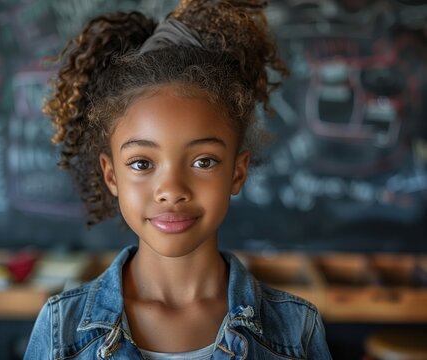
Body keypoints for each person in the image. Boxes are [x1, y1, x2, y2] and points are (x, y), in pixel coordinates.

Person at [24, 0, 332, 359]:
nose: (171, 190)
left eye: (204, 161)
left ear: (238, 171)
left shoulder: (295, 330)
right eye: (141, 164)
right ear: (111, 175)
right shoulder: (61, 329)